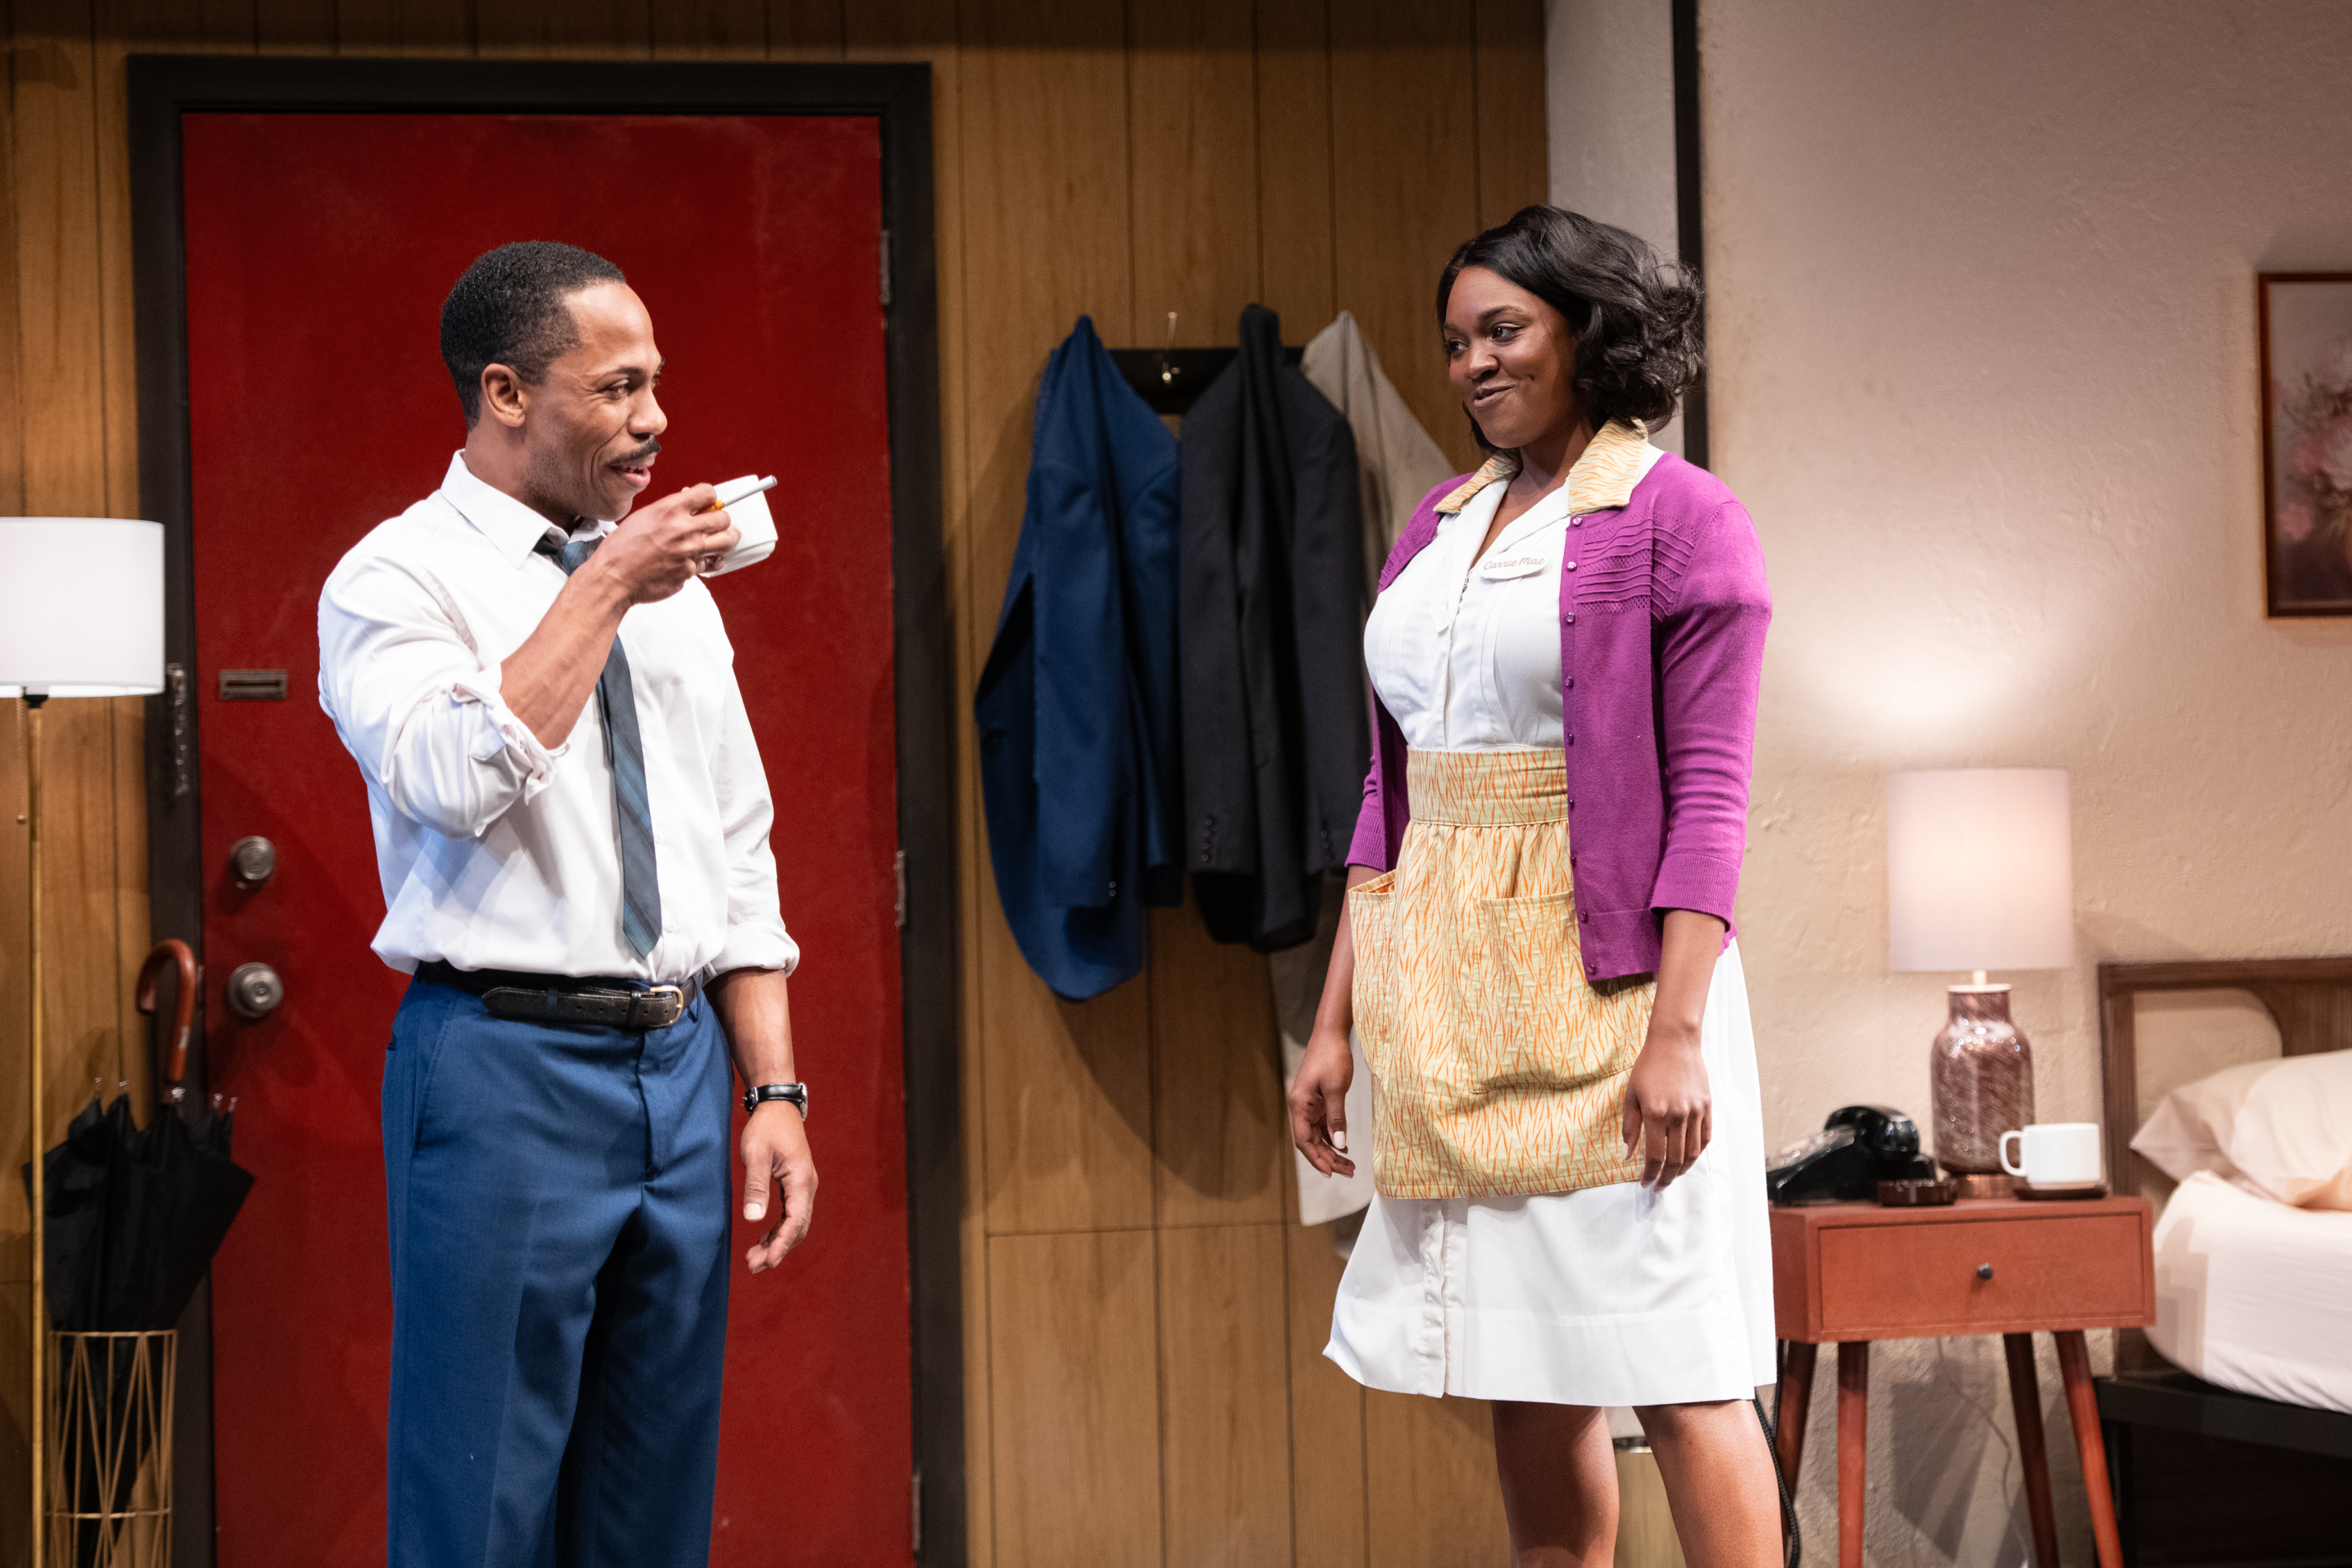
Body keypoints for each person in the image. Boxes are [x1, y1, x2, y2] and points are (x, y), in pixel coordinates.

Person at [1287, 206, 1781, 1568]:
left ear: (1589, 330)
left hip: (1617, 993)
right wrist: (1333, 1023)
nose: (1473, 365)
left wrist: (1678, 1034)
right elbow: (1393, 795)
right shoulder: (1439, 524)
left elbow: (1710, 799)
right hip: (1446, 991)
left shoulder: (1682, 518)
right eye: (1456, 343)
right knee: (1525, 1359)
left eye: (1503, 331)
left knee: (1678, 1359)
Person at [318, 241, 817, 1567]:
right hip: (503, 1067)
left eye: (656, 383)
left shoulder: (665, 582)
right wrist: (607, 583)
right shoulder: (395, 578)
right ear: (506, 393)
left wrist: (772, 1088)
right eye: (617, 388)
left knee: (651, 1509)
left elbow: (735, 843)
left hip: (679, 1066)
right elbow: (450, 777)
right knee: (480, 1508)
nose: (656, 420)